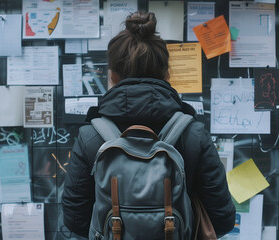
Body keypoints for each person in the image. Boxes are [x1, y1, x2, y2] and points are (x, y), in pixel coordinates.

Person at [62, 11, 236, 239]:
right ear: (167, 74)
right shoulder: (192, 133)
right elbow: (222, 219)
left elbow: (75, 220)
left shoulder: (91, 136)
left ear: (112, 75)